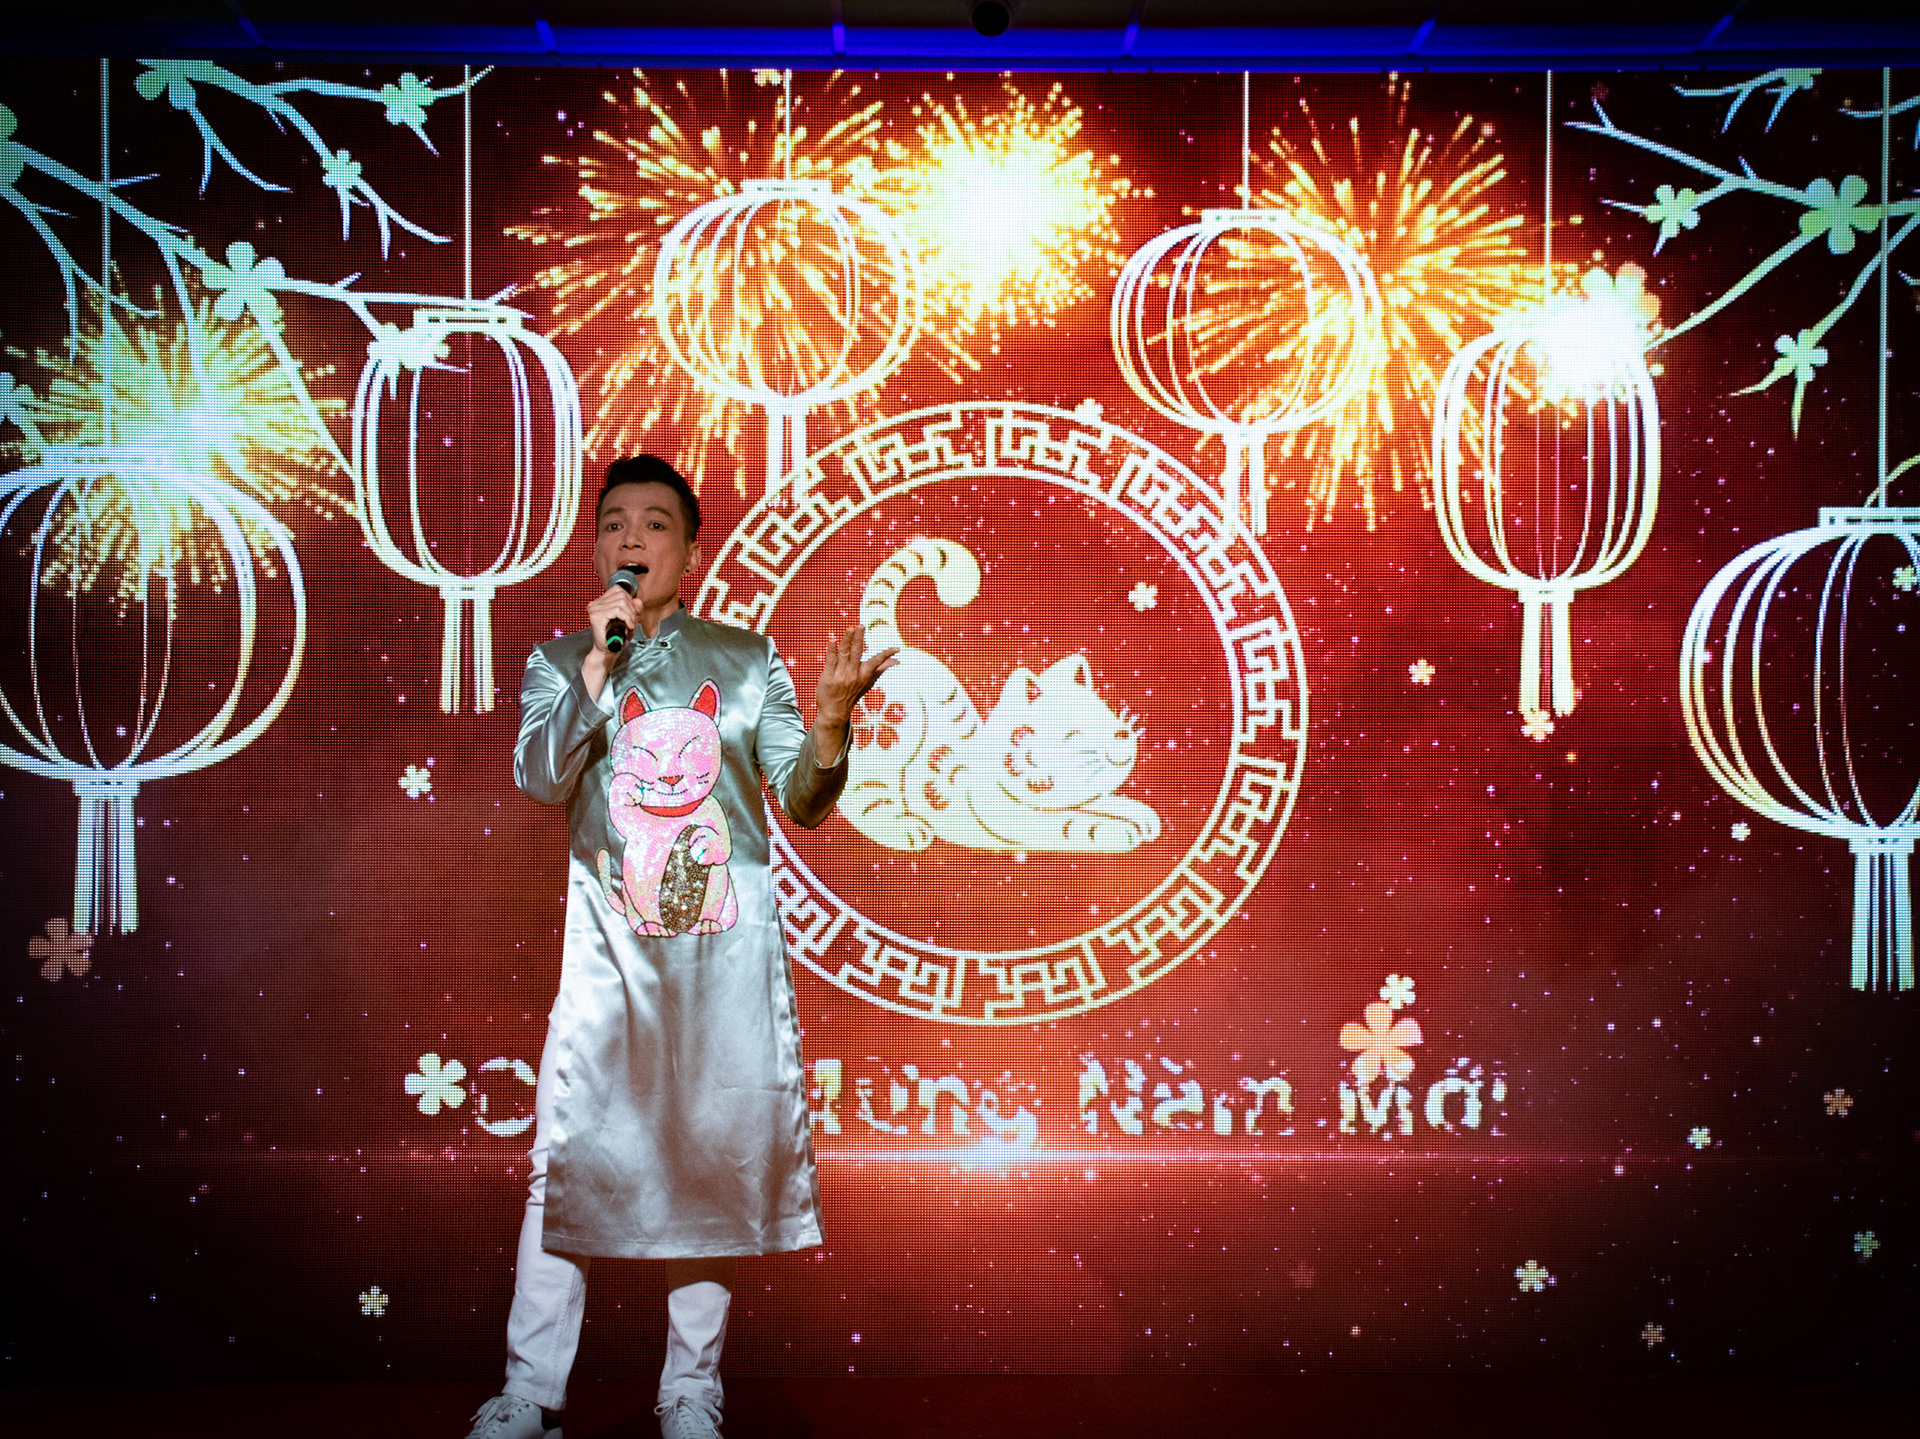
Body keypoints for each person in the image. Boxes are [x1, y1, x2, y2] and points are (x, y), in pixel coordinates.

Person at [464, 454, 896, 1439]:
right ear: (597, 546)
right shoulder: (561, 660)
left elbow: (804, 798)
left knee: (708, 1163)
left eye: (654, 523)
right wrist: (596, 667)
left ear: (691, 550)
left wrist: (831, 723)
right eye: (614, 522)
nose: (631, 538)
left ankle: (691, 1389)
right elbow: (541, 776)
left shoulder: (747, 661)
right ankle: (531, 1392)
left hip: (720, 961)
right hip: (607, 959)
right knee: (560, 1163)